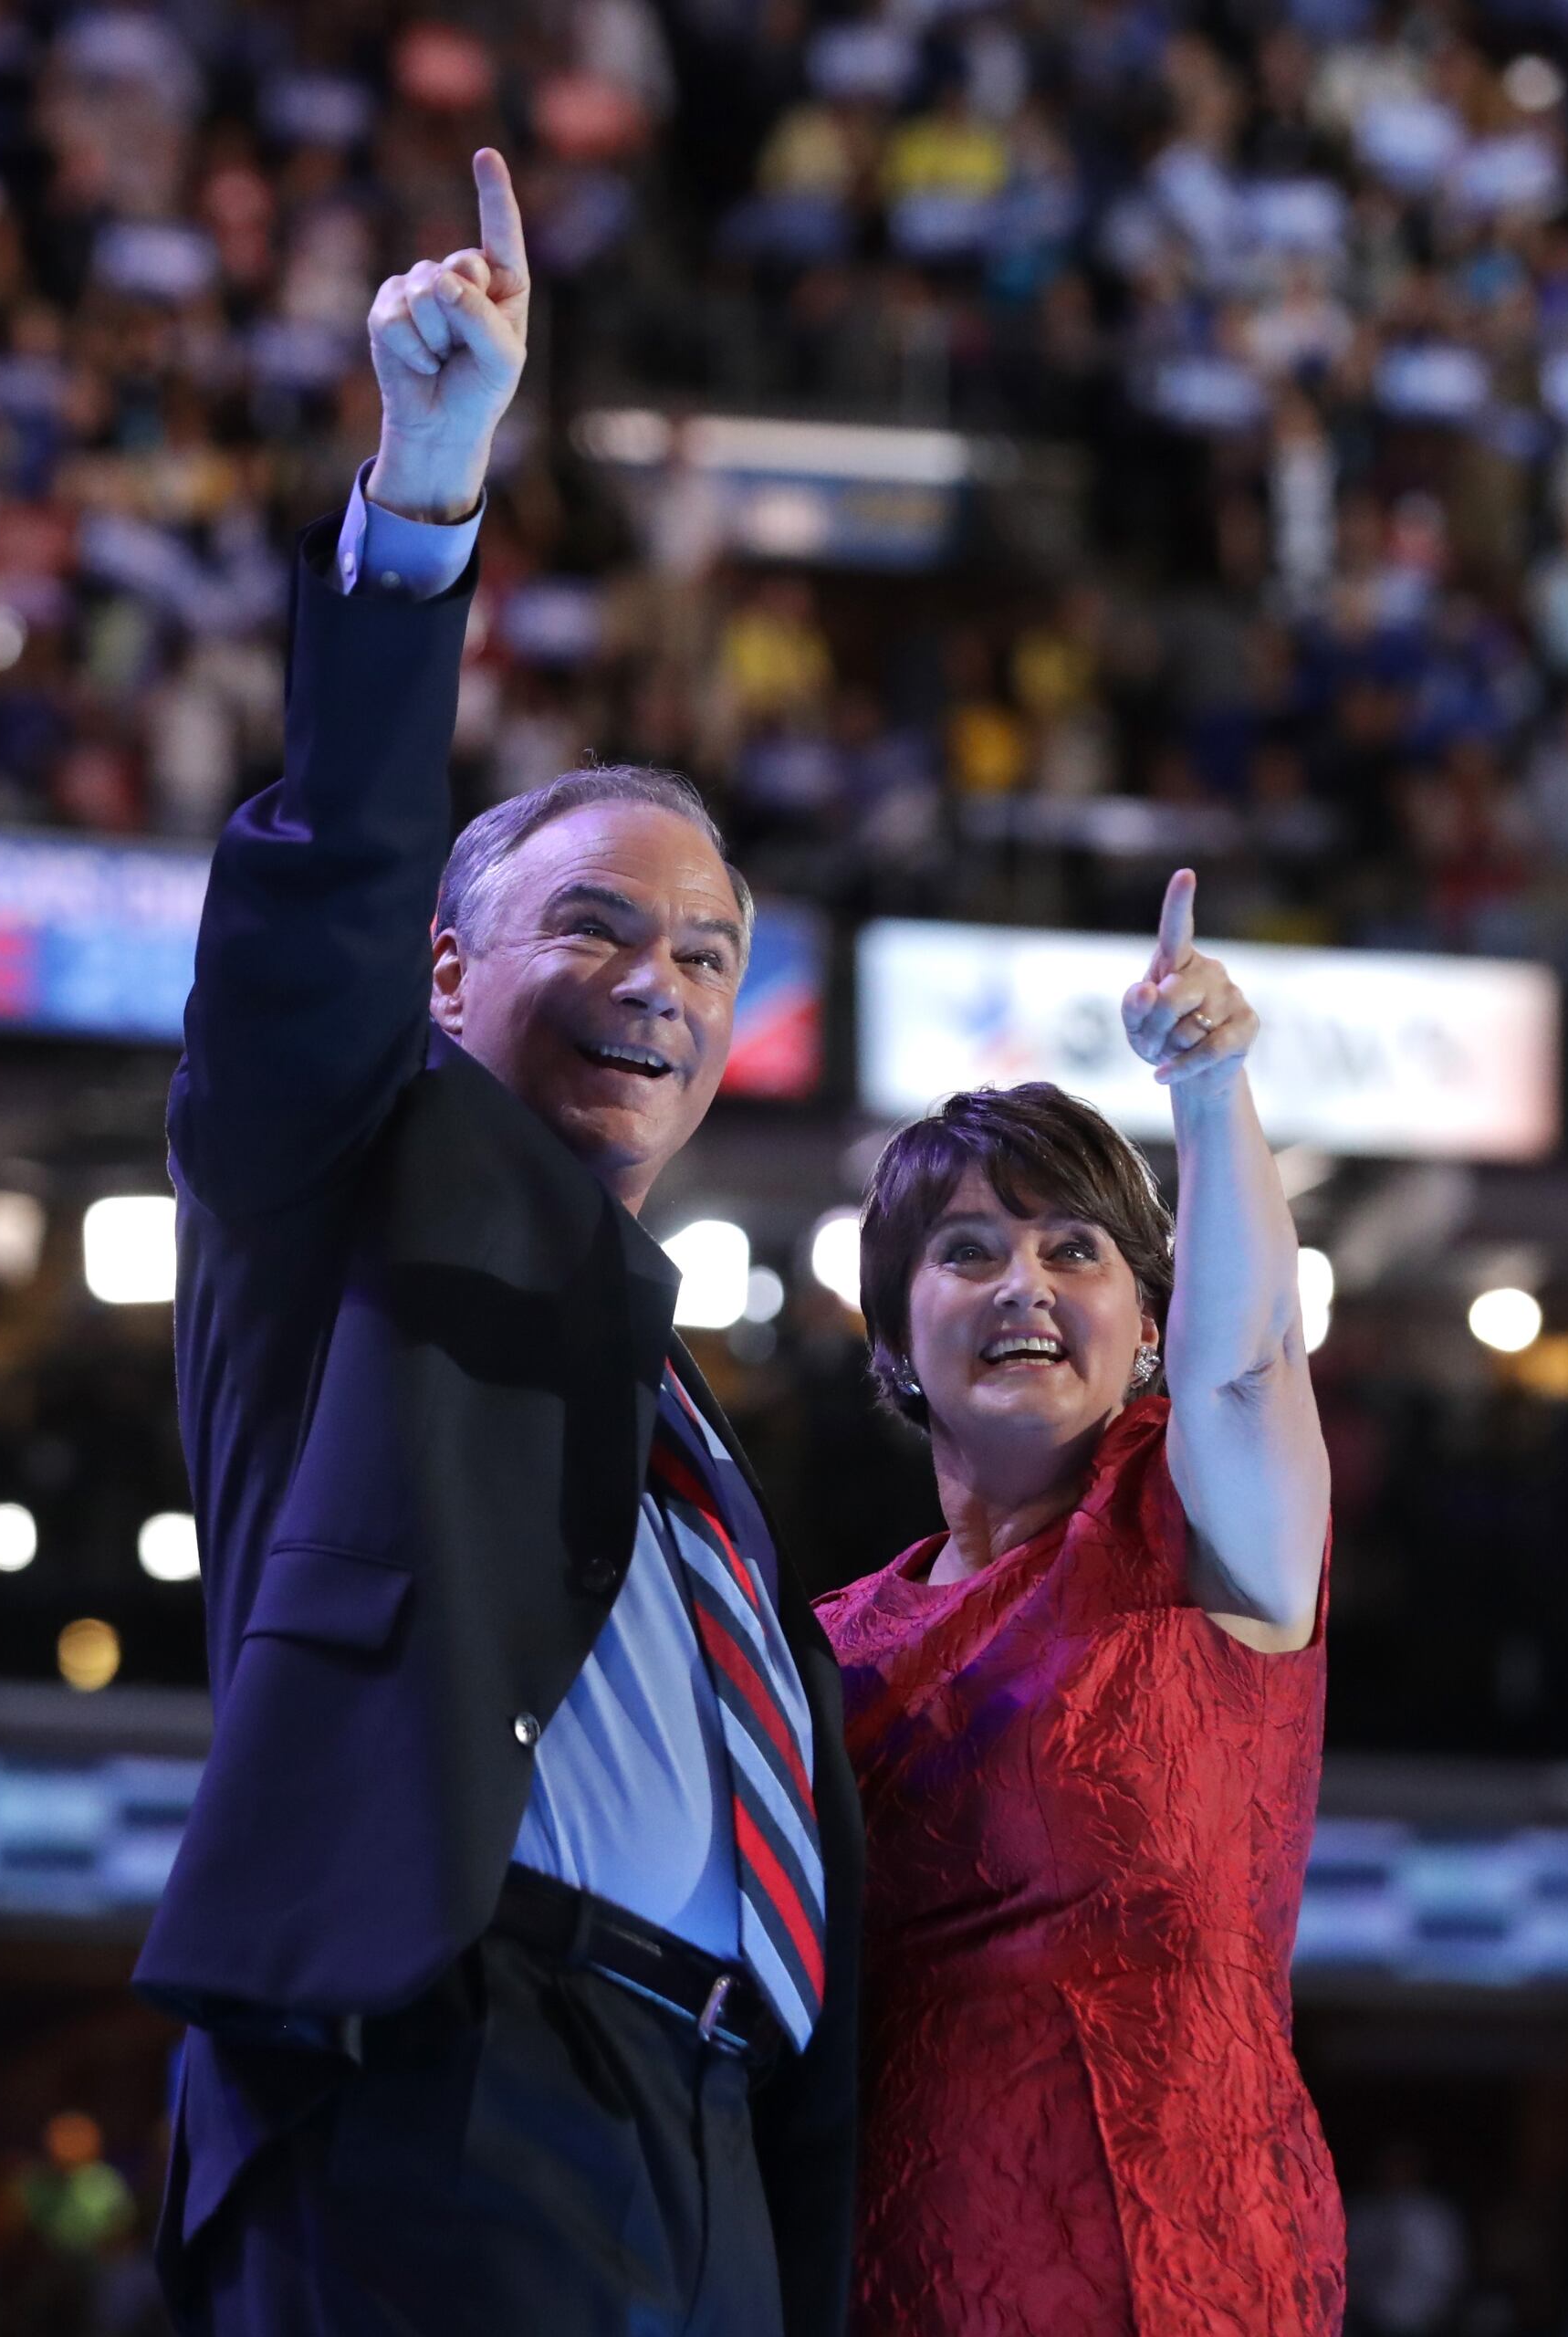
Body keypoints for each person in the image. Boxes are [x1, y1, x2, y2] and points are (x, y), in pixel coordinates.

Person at [140, 150, 862, 2337]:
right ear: (446, 975)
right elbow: (326, 874)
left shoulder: (675, 1410)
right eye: (600, 922)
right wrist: (428, 492)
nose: (665, 976)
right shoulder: (327, 1192)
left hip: (717, 2130)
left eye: (715, 951)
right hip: (453, 2082)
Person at [816, 870, 1343, 2335]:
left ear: (1149, 1323)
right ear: (896, 1336)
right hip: (888, 2280)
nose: (1023, 1285)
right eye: (966, 1251)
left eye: (1075, 1249)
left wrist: (1213, 1087)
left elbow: (1249, 1368)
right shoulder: (818, 1650)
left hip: (1193, 2287)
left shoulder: (1203, 1529)